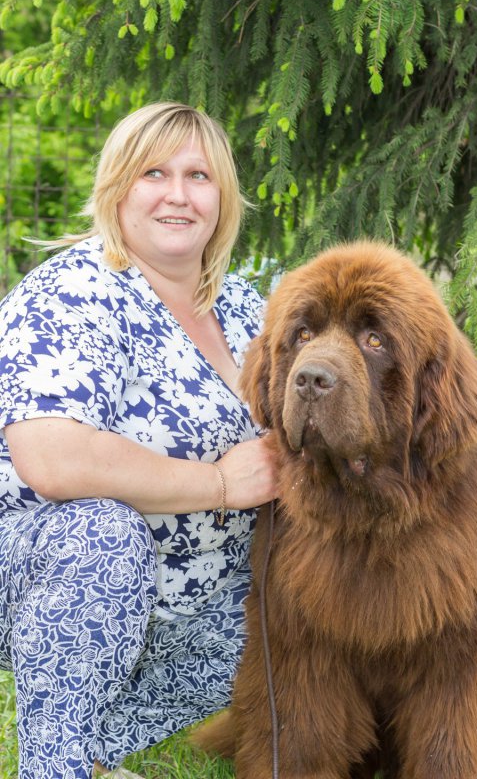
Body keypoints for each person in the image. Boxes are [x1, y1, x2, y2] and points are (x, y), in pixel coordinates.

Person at [0, 101, 278, 779]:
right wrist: (218, 484)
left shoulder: (247, 308)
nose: (178, 195)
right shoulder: (74, 292)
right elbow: (54, 458)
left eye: (199, 176)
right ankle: (54, 765)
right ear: (117, 187)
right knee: (102, 533)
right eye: (154, 172)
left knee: (299, 586)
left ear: (224, 197)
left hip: (194, 582)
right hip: (46, 564)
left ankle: (94, 750)